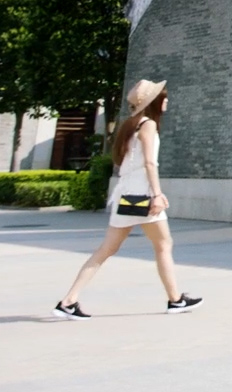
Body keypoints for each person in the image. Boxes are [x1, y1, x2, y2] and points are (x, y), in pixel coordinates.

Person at [52, 79, 202, 319]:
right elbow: (150, 163)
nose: (167, 100)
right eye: (163, 97)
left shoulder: (130, 125)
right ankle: (175, 300)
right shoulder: (148, 125)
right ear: (154, 101)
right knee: (164, 244)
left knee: (107, 249)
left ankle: (68, 300)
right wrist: (157, 194)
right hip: (143, 194)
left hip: (125, 195)